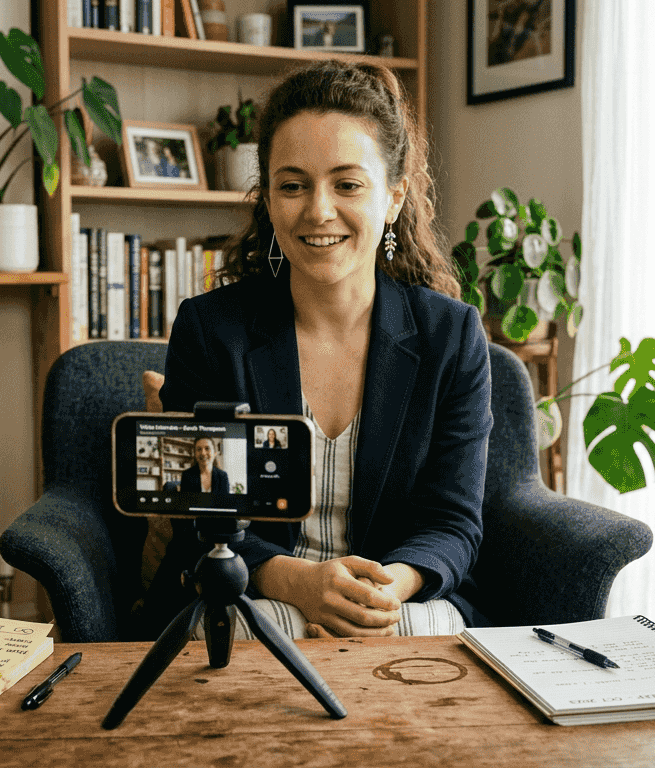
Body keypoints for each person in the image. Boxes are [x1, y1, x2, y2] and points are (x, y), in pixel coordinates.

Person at [149, 60, 492, 641]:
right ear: (268, 200)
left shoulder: (452, 336)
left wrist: (388, 587)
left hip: (398, 595)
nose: (318, 210)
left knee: (425, 634)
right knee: (255, 634)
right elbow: (195, 518)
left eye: (348, 184)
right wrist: (300, 583)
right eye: (293, 184)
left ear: (394, 197)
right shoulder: (210, 330)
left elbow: (453, 522)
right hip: (256, 590)